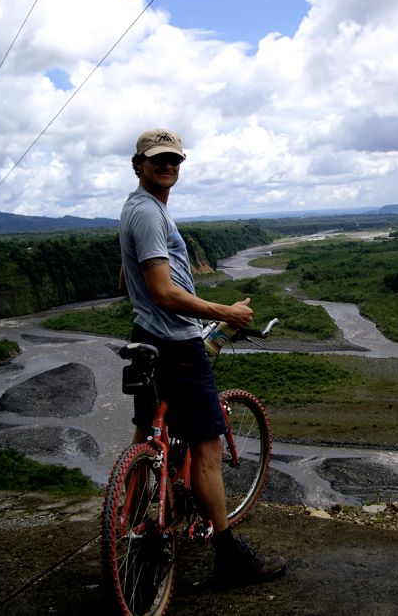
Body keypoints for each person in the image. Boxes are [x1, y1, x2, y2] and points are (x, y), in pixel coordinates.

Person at [118, 128, 286, 586]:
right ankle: (229, 557)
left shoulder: (134, 210)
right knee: (208, 450)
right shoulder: (150, 213)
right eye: (157, 160)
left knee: (145, 435)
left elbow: (127, 279)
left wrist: (154, 297)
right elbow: (162, 290)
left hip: (146, 339)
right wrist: (223, 311)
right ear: (139, 165)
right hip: (175, 345)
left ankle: (128, 528)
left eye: (174, 159)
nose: (168, 166)